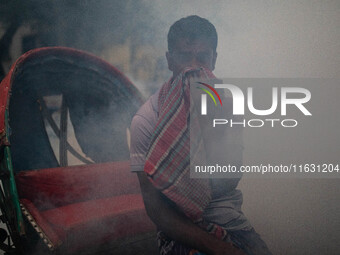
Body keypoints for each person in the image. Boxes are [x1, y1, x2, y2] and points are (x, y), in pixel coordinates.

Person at [130, 15, 272, 255]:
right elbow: (157, 211)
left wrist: (213, 130)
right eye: (185, 57)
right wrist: (219, 248)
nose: (193, 67)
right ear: (169, 61)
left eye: (203, 57)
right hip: (177, 228)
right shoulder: (146, 120)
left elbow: (229, 181)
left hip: (228, 217)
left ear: (213, 60)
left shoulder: (227, 105)